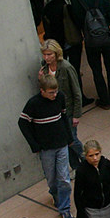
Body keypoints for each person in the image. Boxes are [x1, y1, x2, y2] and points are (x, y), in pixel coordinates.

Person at [18, 75, 74, 218]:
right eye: (51, 92)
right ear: (42, 91)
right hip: (46, 148)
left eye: (56, 91)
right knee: (51, 178)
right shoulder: (33, 104)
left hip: (61, 144)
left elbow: (63, 117)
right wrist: (34, 145)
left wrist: (69, 138)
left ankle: (65, 208)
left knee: (64, 178)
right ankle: (56, 195)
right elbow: (23, 123)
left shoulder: (60, 97)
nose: (54, 95)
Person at [69, 0, 110, 110]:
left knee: (96, 69)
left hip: (90, 40)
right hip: (105, 36)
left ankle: (104, 100)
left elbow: (78, 21)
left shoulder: (76, 0)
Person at [39, 40, 83, 168]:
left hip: (68, 110)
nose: (46, 58)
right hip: (55, 112)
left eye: (49, 54)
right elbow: (45, 90)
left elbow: (76, 92)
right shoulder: (44, 68)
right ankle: (76, 167)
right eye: (45, 54)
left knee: (72, 139)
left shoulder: (66, 67)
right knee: (65, 141)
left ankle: (86, 158)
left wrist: (76, 114)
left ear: (56, 53)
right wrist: (40, 79)